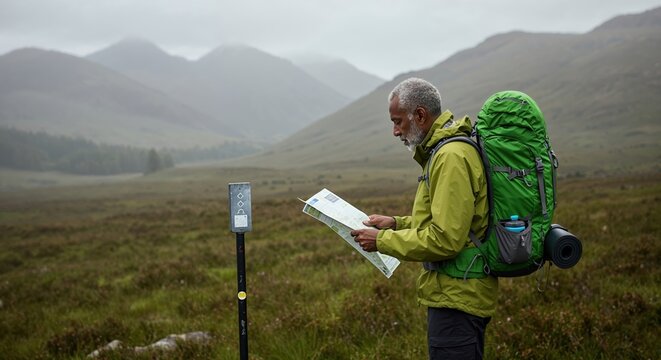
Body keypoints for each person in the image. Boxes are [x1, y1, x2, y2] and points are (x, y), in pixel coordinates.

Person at [350, 77, 498, 360]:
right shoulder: (443, 152)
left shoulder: (450, 156)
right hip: (456, 293)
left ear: (420, 115)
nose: (395, 132)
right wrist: (395, 223)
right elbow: (450, 223)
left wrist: (382, 240)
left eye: (398, 121)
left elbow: (446, 239)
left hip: (458, 299)